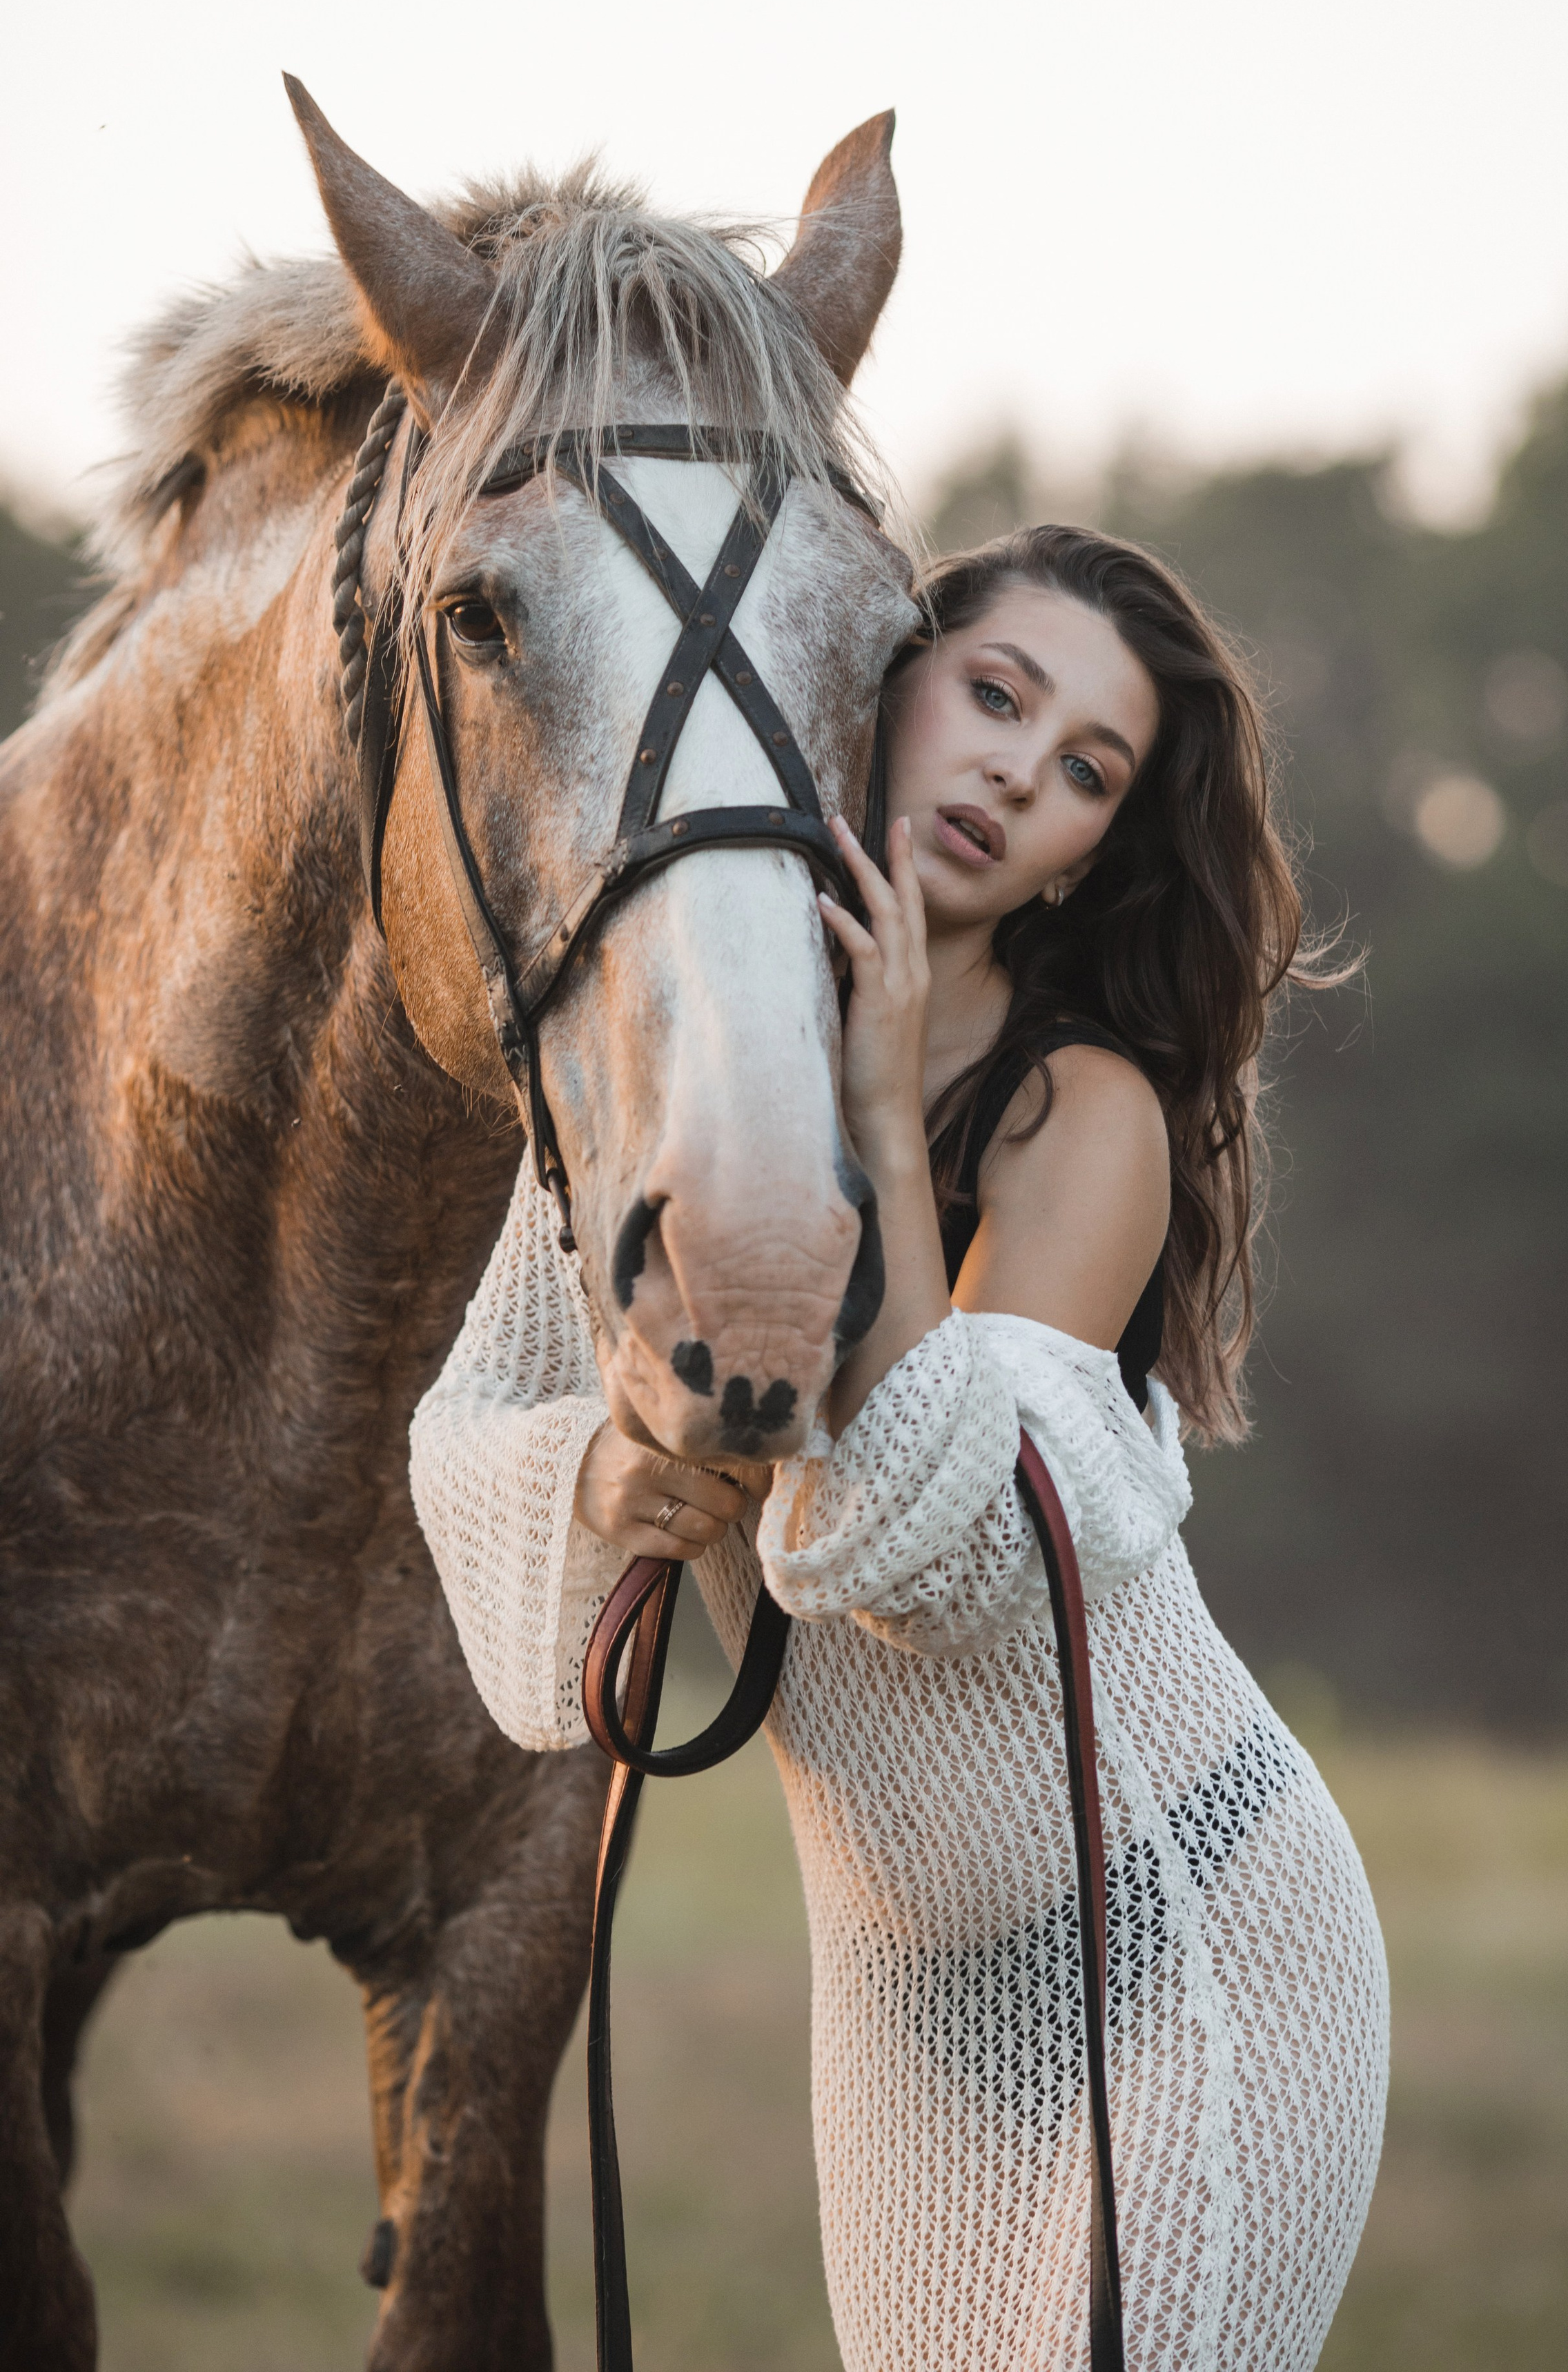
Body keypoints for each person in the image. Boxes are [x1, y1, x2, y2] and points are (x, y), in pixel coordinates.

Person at [409, 523, 1389, 2371]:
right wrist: (611, 1483)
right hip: (907, 2007)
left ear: (1093, 847)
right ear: (891, 679)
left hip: (1187, 1946)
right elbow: (474, 1428)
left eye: (1085, 767)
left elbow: (956, 1551)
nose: (1023, 768)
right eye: (999, 695)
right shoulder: (665, 1056)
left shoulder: (1080, 1110)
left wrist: (875, 1091)